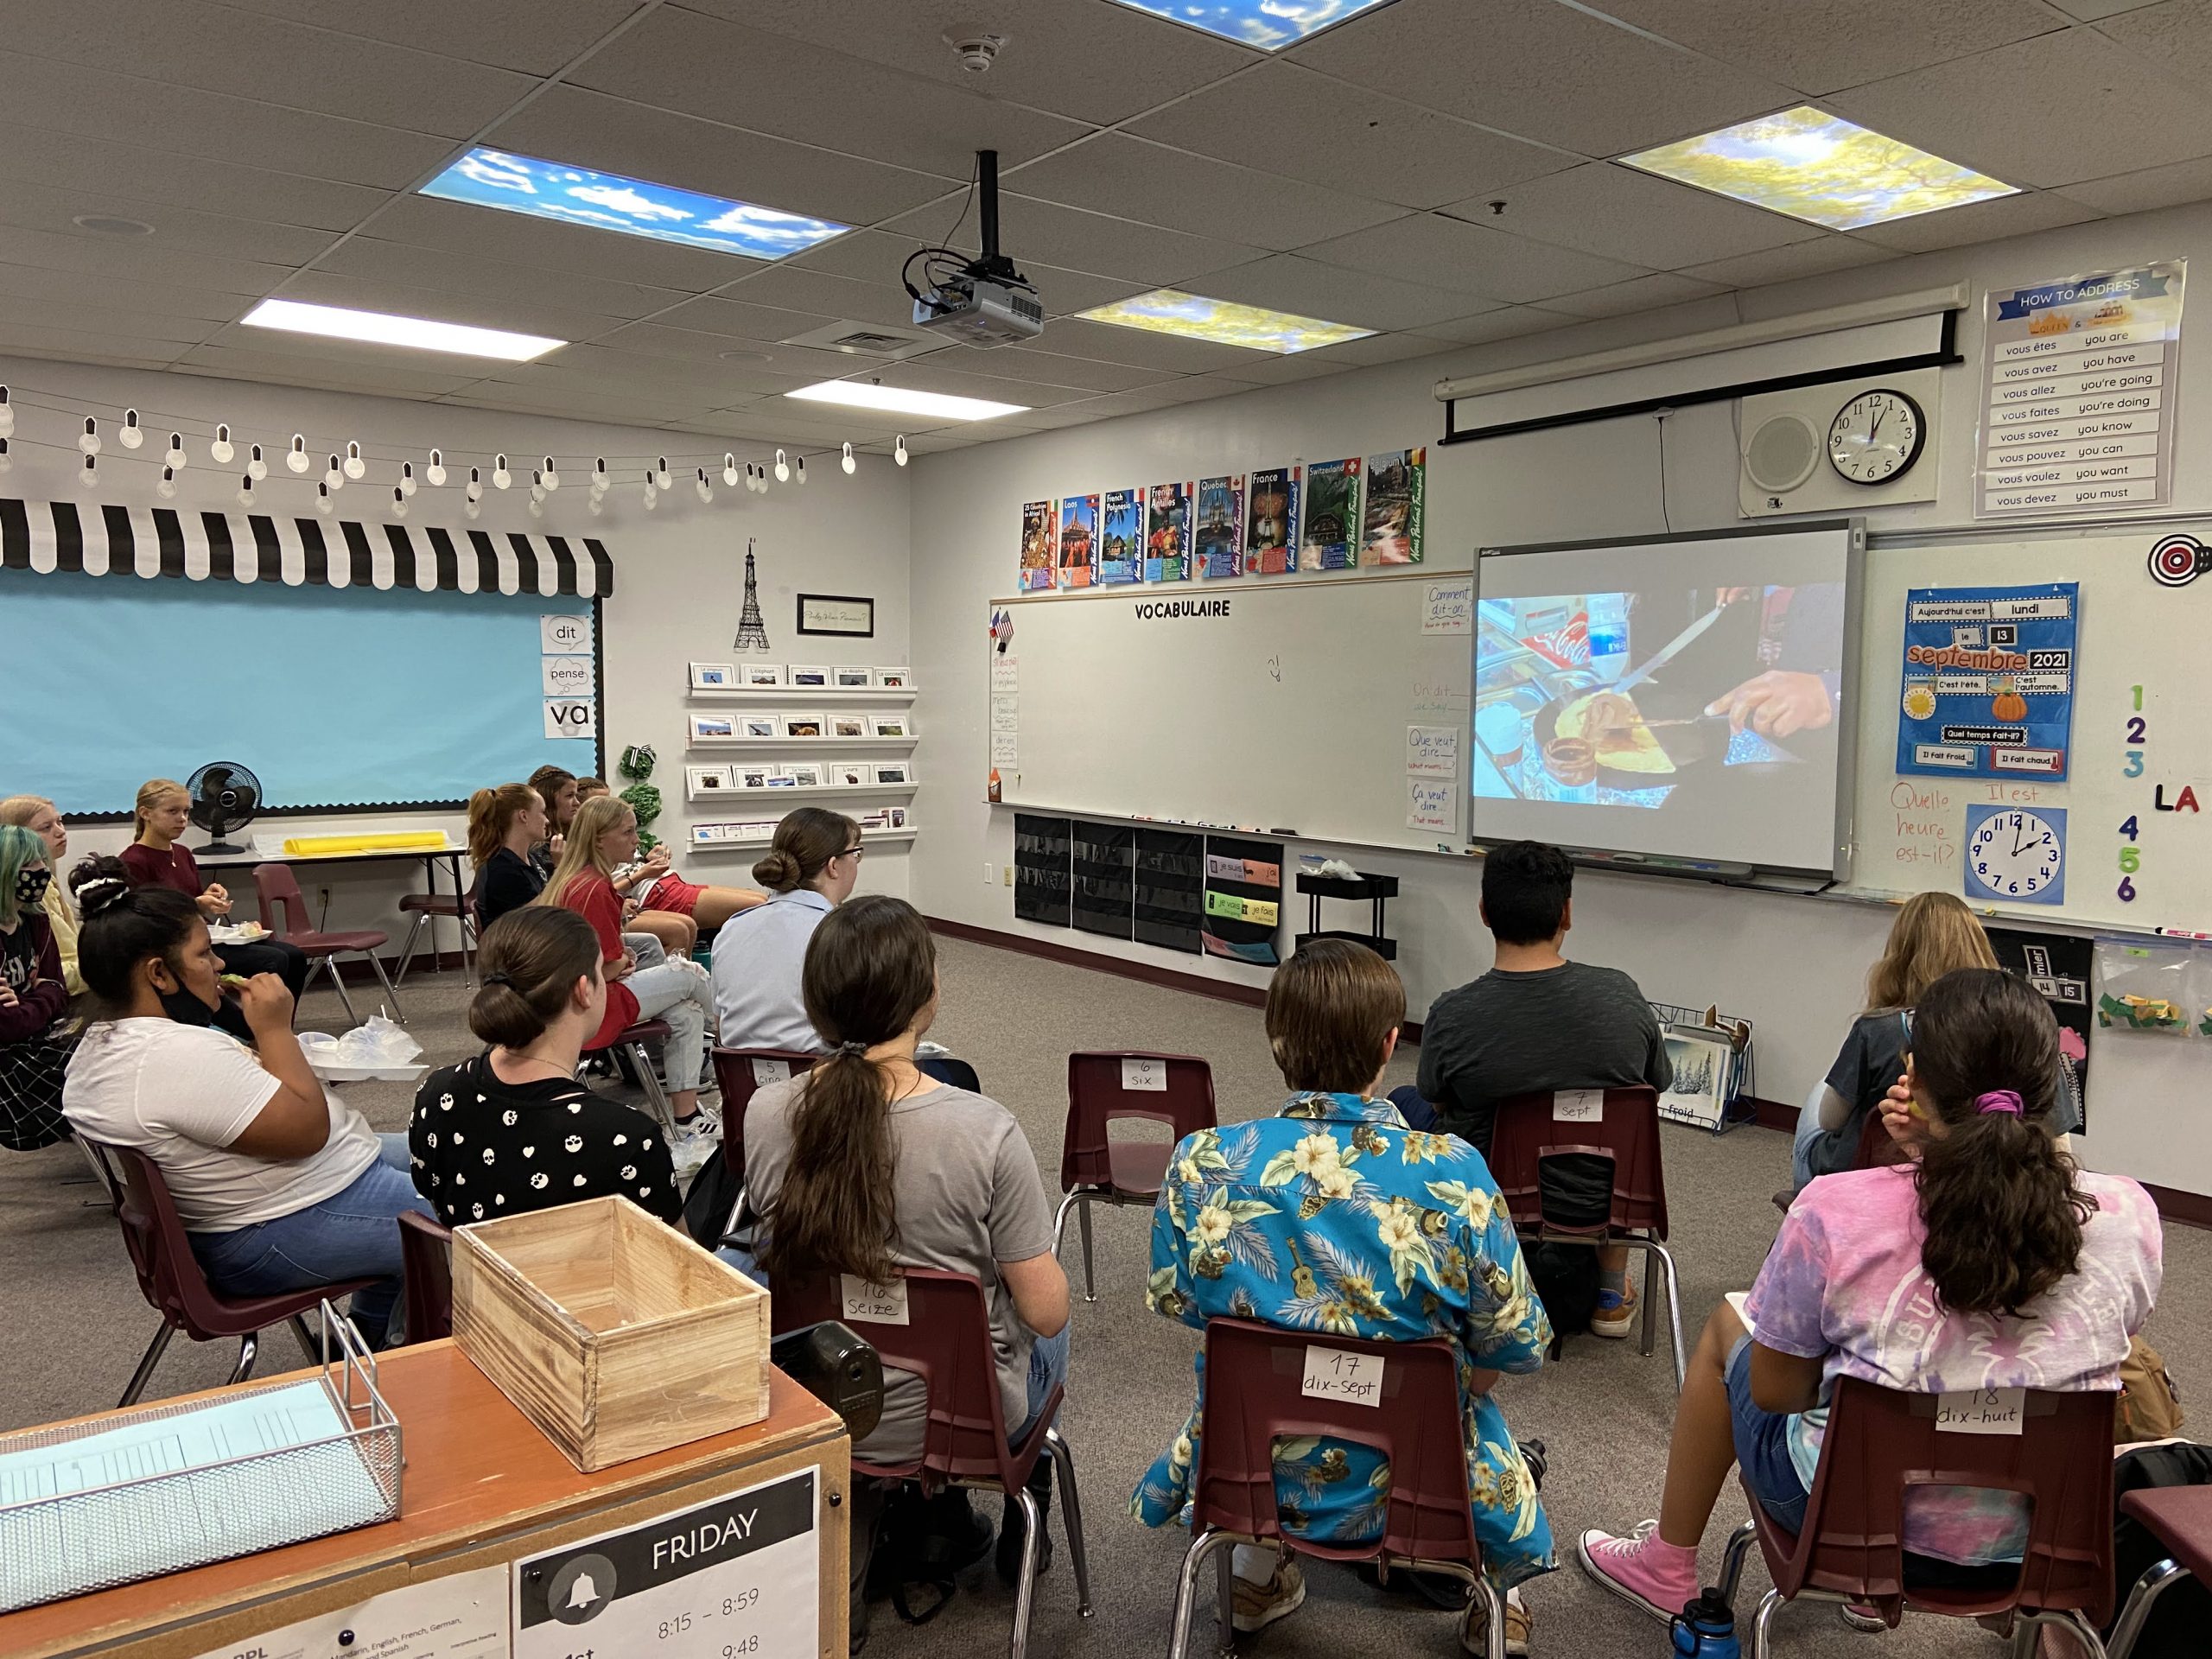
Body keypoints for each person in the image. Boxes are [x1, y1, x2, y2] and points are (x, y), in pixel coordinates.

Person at [1579, 968, 2162, 1631]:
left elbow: (1777, 1391)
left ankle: (1665, 1562)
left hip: (1849, 1519)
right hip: (2043, 1537)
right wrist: (1934, 1151)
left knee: (1726, 1328)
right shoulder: (2130, 1214)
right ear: (2047, 1088)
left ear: (1919, 1086)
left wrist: (1918, 1157)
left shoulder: (1835, 1209)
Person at [1137, 938, 1554, 1654]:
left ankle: (1255, 1566)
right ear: (1390, 1044)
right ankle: (1494, 1599)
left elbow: (1179, 1301)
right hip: (1422, 1471)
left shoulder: (1202, 1159)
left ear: (1276, 1044)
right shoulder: (1451, 1169)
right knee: (1471, 1377)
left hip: (1251, 1459)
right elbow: (1519, 1343)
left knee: (1251, 1356)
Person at [738, 894, 1070, 1605]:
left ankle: (920, 1514)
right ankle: (1021, 1483)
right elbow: (1043, 1313)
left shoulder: (766, 1114)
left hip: (817, 1400)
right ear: (926, 995)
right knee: (1053, 1325)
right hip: (963, 1419)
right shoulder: (985, 1130)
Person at [61, 855, 433, 1347]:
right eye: (203, 954)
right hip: (280, 1220)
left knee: (445, 1149)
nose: (218, 965)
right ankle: (414, 1361)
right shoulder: (173, 1054)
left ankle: (371, 1340)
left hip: (296, 1192)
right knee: (484, 1213)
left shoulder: (106, 1044)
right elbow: (305, 1134)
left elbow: (241, 1098)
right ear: (158, 974)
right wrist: (275, 1028)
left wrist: (284, 1061)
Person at [1415, 839, 1670, 1337]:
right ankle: (1611, 1291)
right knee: (1620, 1123)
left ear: (1485, 913)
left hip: (1496, 1195)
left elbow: (1437, 1098)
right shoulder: (1621, 994)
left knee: (1408, 1102)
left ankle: (1465, 1275)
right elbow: (1655, 1086)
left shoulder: (1453, 1014)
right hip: (1606, 1195)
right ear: (1567, 914)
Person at [1793, 891, 2079, 1194]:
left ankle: (1807, 1205)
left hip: (1867, 1173)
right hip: (2003, 1180)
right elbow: (2059, 1142)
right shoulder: (2028, 1029)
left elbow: (1831, 1122)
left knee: (1823, 1093)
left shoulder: (1878, 1029)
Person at [410, 906, 680, 1228]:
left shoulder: (437, 1093)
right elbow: (679, 1264)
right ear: (584, 991)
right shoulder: (625, 1136)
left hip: (476, 1274)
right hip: (580, 1278)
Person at [538, 796, 715, 1141]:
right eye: (628, 832)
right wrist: (623, 961)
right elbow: (603, 969)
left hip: (576, 999)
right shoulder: (595, 888)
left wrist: (621, 960)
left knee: (687, 1013)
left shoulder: (573, 879)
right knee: (691, 974)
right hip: (594, 1004)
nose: (637, 839)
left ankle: (687, 1116)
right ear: (600, 839)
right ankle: (733, 1040)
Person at [119, 779, 311, 1039]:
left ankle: (281, 1029)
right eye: (173, 812)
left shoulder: (183, 853)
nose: (182, 819)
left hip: (202, 937)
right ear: (146, 814)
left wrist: (209, 896)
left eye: (186, 811)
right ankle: (261, 1030)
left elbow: (192, 898)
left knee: (295, 956)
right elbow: (145, 919)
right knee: (274, 960)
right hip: (175, 948)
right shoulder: (134, 860)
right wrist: (196, 904)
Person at [711, 808, 863, 1053]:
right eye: (855, 853)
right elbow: (865, 1027)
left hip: (742, 1083)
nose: (857, 863)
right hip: (825, 1082)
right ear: (833, 866)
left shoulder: (733, 927)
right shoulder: (844, 933)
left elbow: (720, 1023)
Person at [0, 826, 74, 1150]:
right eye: (29, 866)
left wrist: (32, 998)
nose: (41, 872)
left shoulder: (36, 919)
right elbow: (7, 1024)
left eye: (41, 863)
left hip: (38, 1038)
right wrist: (43, 994)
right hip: (9, 1061)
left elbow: (60, 989)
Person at [0, 796, 82, 994]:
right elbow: (52, 974)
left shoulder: (47, 882)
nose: (61, 831)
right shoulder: (30, 897)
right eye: (46, 828)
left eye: (60, 821)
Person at [468, 782, 551, 930]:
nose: (547, 820)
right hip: (516, 949)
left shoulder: (531, 859)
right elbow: (539, 917)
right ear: (524, 816)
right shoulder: (501, 870)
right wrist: (562, 868)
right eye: (542, 812)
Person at [527, 766, 579, 879]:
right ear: (549, 800)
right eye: (569, 796)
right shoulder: (534, 849)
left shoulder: (572, 839)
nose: (577, 803)